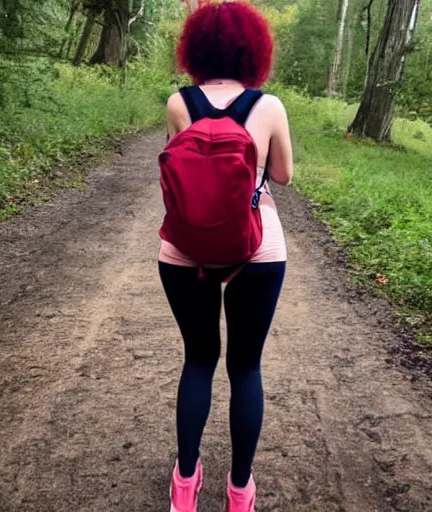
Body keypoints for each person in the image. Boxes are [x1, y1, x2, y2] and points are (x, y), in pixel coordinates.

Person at [158, 1, 293, 511]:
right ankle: (239, 492)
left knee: (197, 360)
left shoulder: (178, 103)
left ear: (196, 49)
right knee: (245, 368)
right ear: (253, 50)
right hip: (256, 248)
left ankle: (186, 484)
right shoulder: (269, 106)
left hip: (184, 247)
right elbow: (282, 176)